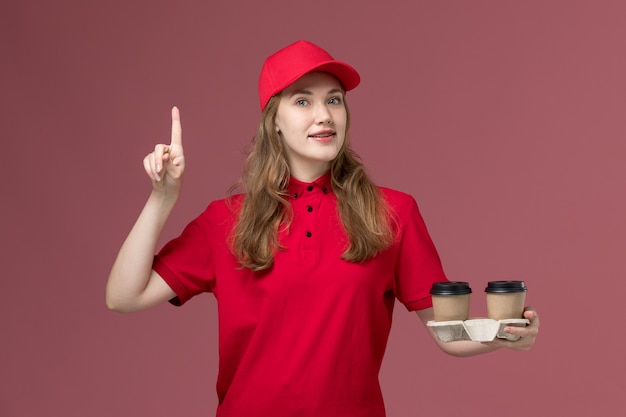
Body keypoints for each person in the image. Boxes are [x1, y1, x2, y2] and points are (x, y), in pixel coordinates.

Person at [106, 40, 539, 416]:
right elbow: (124, 297)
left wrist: (505, 336)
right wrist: (162, 199)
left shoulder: (393, 212)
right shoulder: (225, 220)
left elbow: (448, 335)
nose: (324, 115)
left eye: (334, 100)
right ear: (273, 119)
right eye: (302, 101)